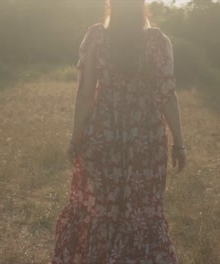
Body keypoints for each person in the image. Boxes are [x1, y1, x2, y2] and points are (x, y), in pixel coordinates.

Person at [52, 0, 186, 263]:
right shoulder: (157, 42)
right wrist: (179, 143)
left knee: (100, 210)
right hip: (145, 137)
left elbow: (85, 94)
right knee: (142, 211)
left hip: (103, 135)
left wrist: (74, 139)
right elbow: (166, 96)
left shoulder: (96, 38)